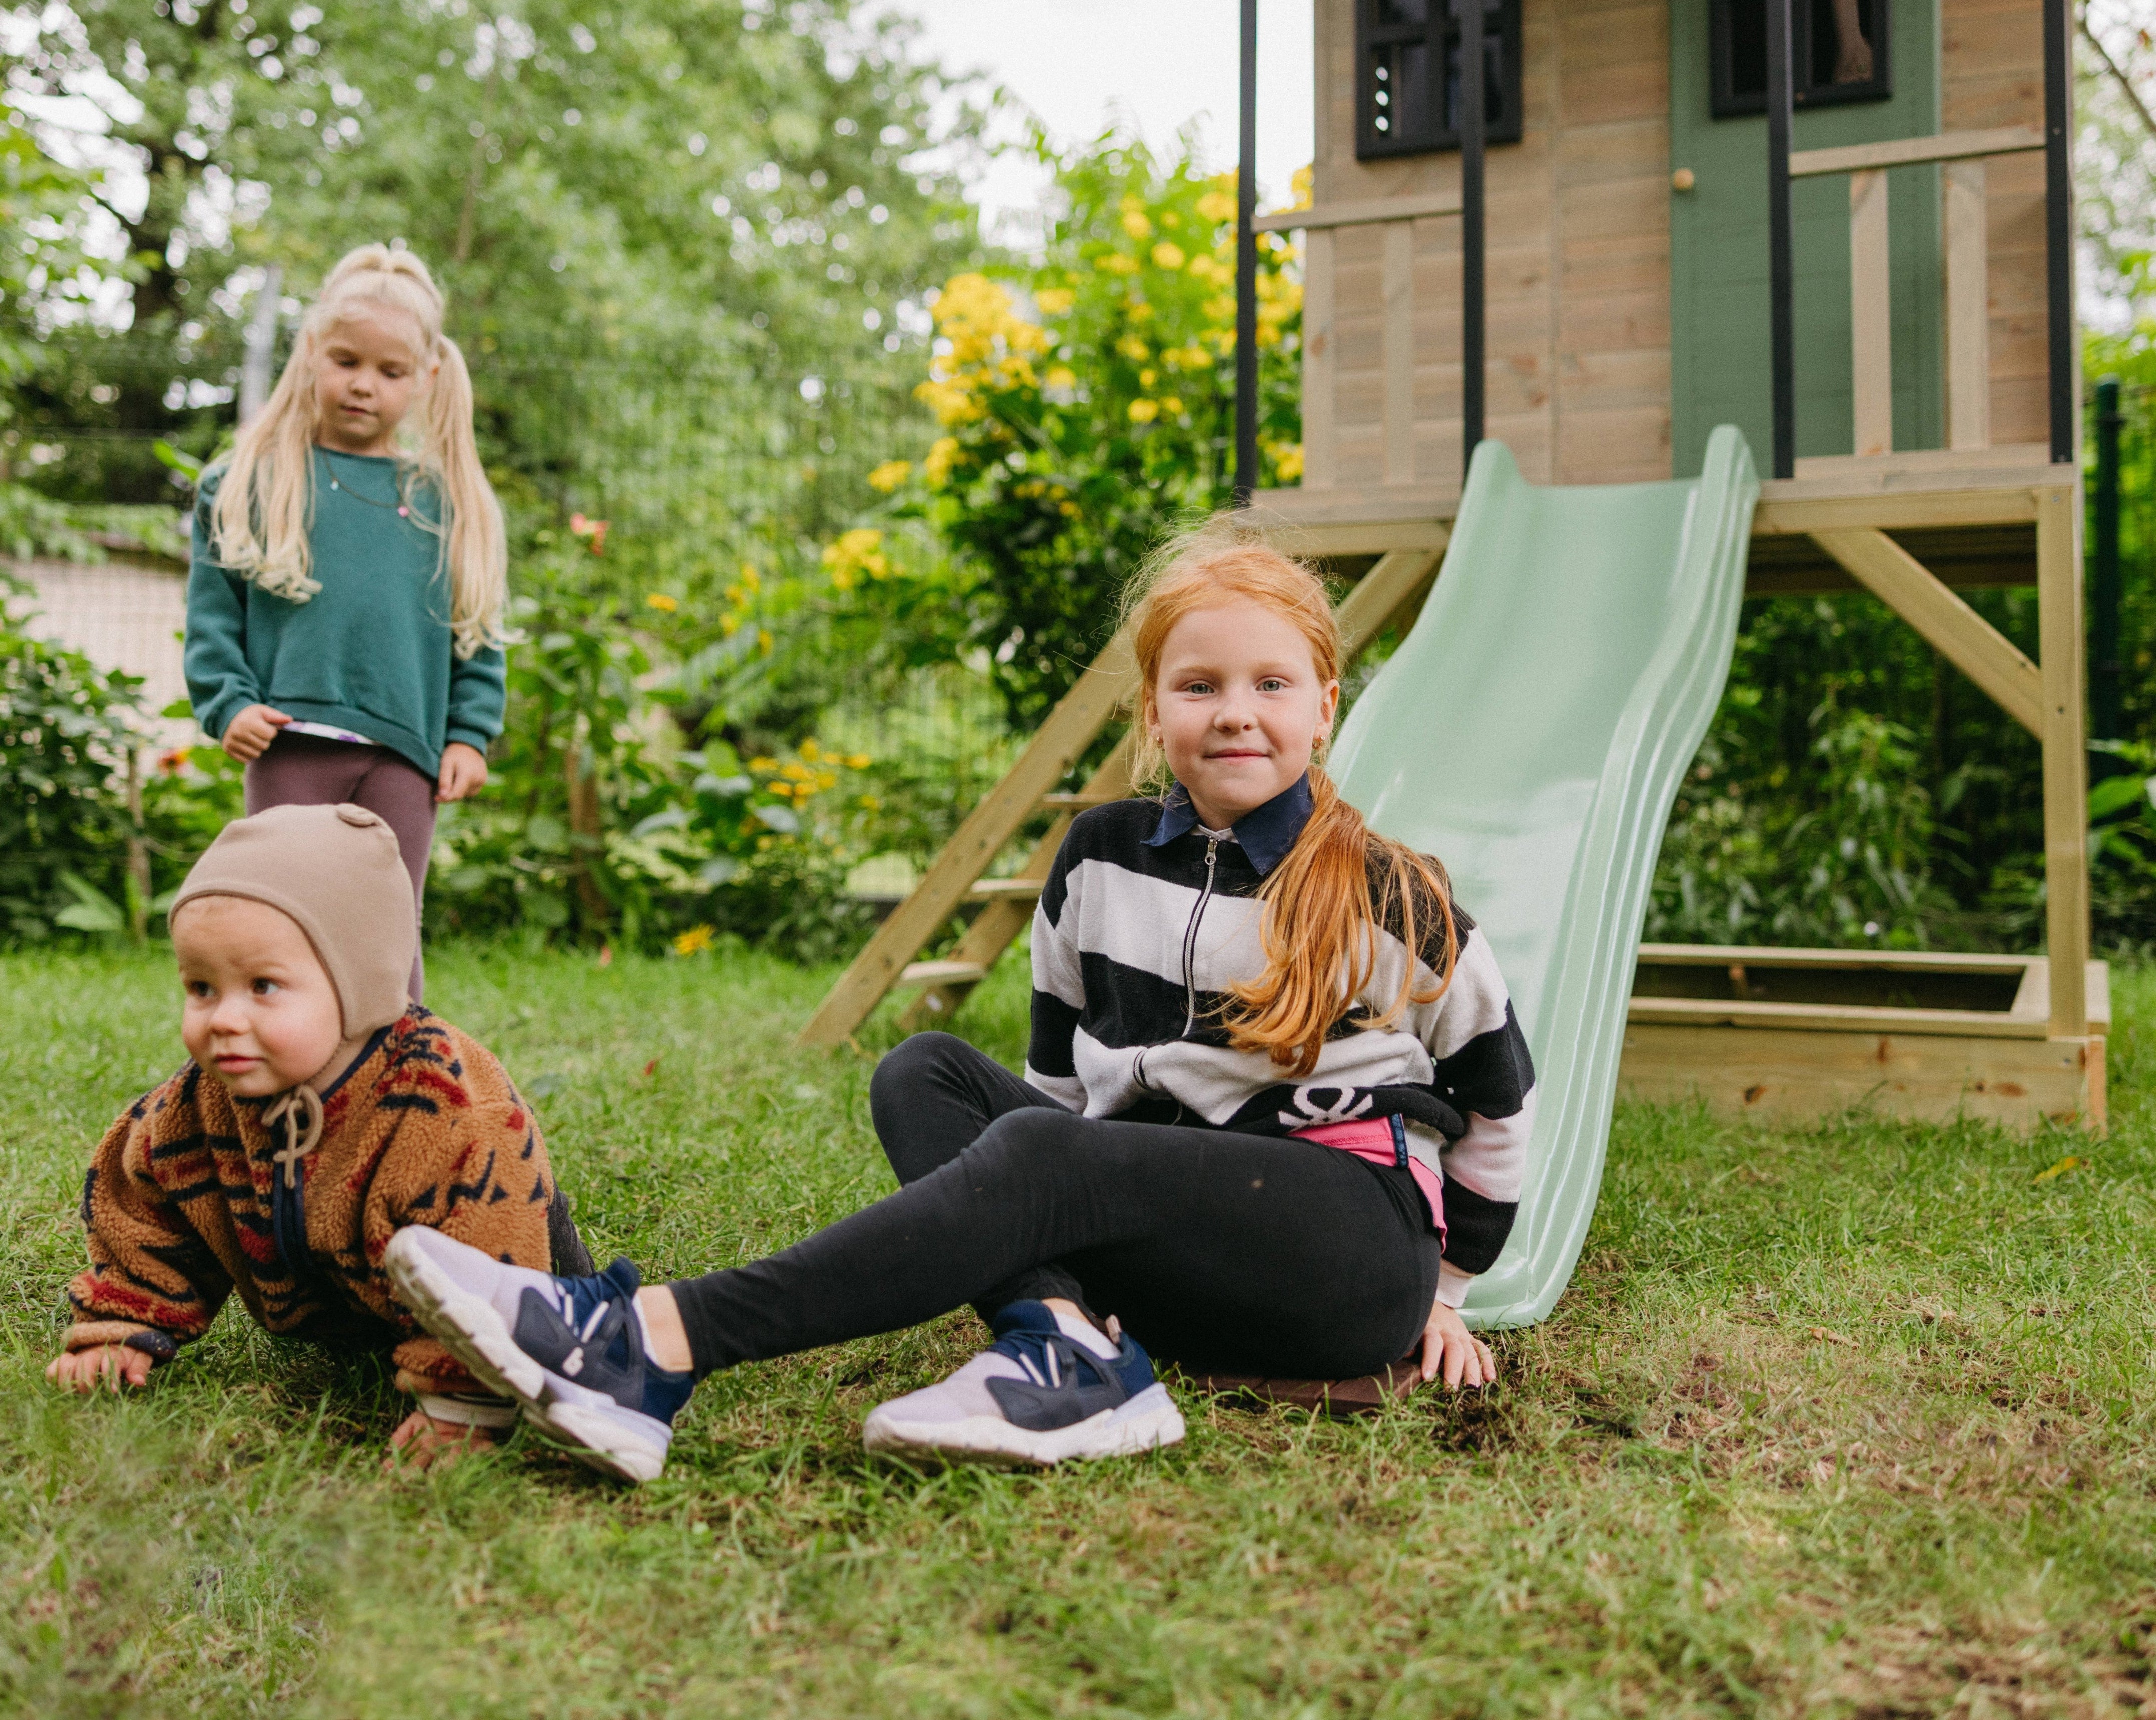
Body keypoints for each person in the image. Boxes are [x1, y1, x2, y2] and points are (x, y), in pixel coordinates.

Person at [385, 522, 1537, 1483]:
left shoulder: (1390, 891)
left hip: (1339, 1249)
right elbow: (1048, 1083)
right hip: (1166, 1240)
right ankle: (1068, 1343)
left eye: (1270, 683)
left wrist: (1442, 1290)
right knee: (923, 1070)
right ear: (1153, 708)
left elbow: (1500, 1091)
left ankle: (649, 1341)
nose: (1235, 711)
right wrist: (1043, 1208)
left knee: (1043, 1154)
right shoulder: (1097, 855)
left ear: (1324, 706)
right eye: (1199, 684)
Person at [48, 803, 590, 1467]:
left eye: (263, 985)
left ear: (358, 983)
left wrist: (464, 1403)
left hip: (522, 1282)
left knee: (518, 1279)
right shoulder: (198, 1105)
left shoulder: (440, 1107)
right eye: (201, 987)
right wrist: (128, 1319)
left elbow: (493, 1250)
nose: (224, 1018)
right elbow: (142, 1205)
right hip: (344, 1300)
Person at [184, 245, 509, 1000]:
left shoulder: (446, 500)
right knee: (283, 922)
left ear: (426, 378)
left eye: (390, 372)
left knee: (391, 924)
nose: (363, 384)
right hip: (291, 743)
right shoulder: (244, 485)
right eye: (345, 361)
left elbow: (477, 625)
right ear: (310, 354)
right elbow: (212, 617)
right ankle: (282, 1084)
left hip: (406, 754)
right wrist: (226, 703)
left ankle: (403, 1085)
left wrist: (468, 732)